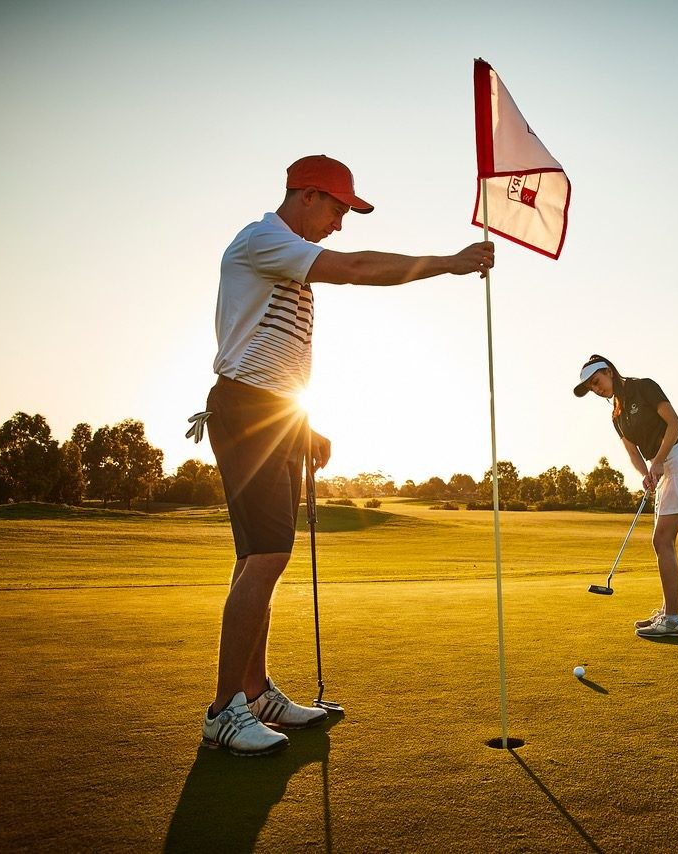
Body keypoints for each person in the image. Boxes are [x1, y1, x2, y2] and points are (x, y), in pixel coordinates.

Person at [200, 155, 494, 756]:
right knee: (266, 556)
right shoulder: (263, 240)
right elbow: (357, 269)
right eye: (337, 209)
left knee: (259, 557)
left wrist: (303, 423)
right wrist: (448, 263)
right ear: (307, 195)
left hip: (271, 412)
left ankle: (254, 693)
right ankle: (224, 710)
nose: (339, 224)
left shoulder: (287, 256)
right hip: (247, 408)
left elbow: (278, 354)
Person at [574, 354, 678, 639]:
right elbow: (633, 453)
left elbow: (675, 424)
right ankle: (667, 611)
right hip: (661, 471)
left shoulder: (643, 386)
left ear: (609, 371)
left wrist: (657, 462)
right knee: (662, 542)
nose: (596, 389)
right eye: (591, 388)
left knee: (661, 540)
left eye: (597, 382)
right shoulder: (616, 416)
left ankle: (672, 619)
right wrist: (646, 473)